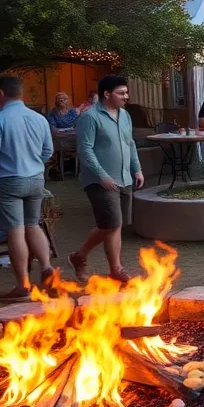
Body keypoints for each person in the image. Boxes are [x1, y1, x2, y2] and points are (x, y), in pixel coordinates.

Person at [0, 76, 56, 302]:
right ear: (21, 93)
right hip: (36, 179)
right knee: (33, 224)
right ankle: (47, 269)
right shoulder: (39, 118)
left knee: (15, 231)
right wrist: (33, 164)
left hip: (8, 182)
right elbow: (48, 150)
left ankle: (23, 286)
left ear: (1, 93)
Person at [69, 74, 144, 285]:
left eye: (126, 92)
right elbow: (85, 150)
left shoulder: (125, 115)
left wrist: (137, 169)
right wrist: (102, 175)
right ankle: (114, 269)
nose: (126, 96)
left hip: (124, 177)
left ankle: (82, 257)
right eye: (121, 93)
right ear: (107, 94)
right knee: (112, 223)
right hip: (99, 181)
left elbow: (130, 144)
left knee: (114, 225)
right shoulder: (90, 117)